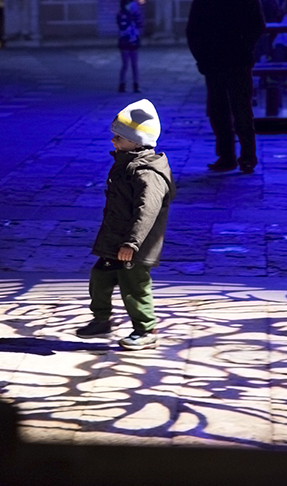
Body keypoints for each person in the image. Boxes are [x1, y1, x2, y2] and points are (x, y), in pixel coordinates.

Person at [76, 99, 176, 351]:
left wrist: (132, 243)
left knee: (135, 287)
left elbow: (147, 211)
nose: (113, 141)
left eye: (118, 137)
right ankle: (101, 319)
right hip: (115, 239)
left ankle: (146, 329)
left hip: (135, 245)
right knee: (100, 276)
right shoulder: (126, 163)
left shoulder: (147, 174)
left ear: (136, 141)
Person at [186, 0, 266, 174]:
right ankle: (247, 157)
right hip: (237, 58)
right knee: (241, 108)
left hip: (214, 59)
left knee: (219, 109)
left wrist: (201, 56)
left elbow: (193, 30)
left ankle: (227, 155)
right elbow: (258, 26)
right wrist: (246, 47)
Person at [117, 0, 146, 93]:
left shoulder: (136, 14)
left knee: (134, 65)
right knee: (125, 64)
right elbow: (122, 27)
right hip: (125, 42)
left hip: (134, 42)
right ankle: (122, 84)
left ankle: (136, 84)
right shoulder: (121, 14)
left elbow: (140, 25)